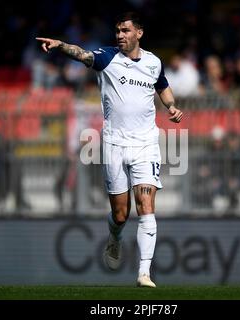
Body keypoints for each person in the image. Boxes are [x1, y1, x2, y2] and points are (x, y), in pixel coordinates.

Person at [36, 12, 183, 288]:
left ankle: (144, 273)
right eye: (117, 30)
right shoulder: (107, 57)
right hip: (114, 143)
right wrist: (61, 45)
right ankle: (114, 238)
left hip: (146, 144)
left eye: (125, 30)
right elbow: (82, 55)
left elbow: (162, 87)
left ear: (139, 33)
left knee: (147, 207)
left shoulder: (153, 62)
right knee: (120, 214)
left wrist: (171, 106)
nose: (120, 35)